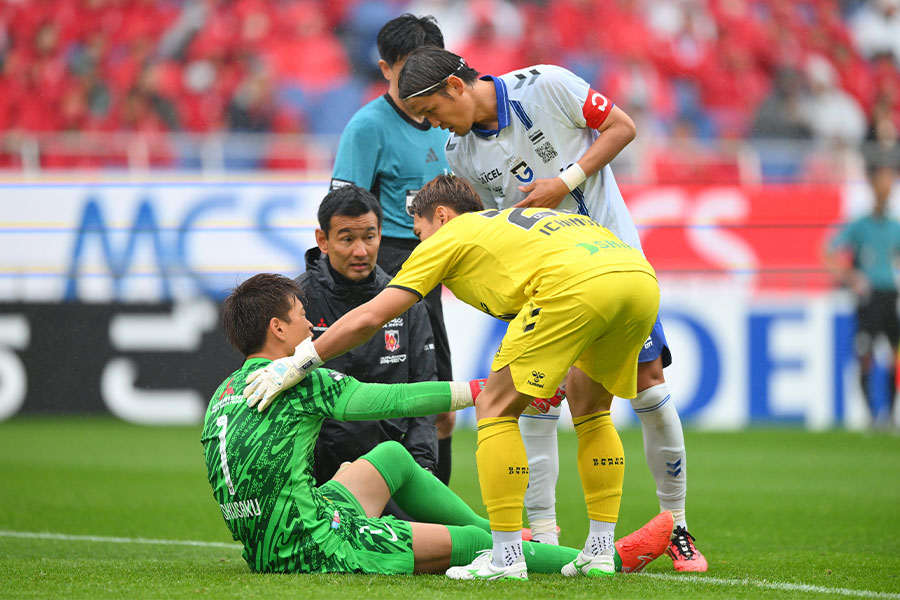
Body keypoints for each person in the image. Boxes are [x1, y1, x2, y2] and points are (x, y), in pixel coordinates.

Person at [243, 176, 662, 580]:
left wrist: (301, 360)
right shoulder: (505, 230)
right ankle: (601, 551)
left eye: (419, 231)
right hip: (637, 276)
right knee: (592, 413)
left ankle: (506, 557)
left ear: (441, 217)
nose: (419, 243)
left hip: (576, 286)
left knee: (495, 408)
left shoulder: (450, 237)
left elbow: (372, 314)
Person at [395, 46, 707, 571]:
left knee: (648, 387)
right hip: (544, 282)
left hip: (610, 259)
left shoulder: (547, 86)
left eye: (431, 111)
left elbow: (623, 128)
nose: (431, 126)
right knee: (534, 398)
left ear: (454, 86)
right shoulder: (461, 153)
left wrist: (563, 182)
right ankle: (543, 532)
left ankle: (676, 525)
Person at [204, 272, 674, 577]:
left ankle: (509, 536)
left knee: (389, 456)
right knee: (471, 545)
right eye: (303, 319)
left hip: (267, 537)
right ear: (277, 328)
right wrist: (481, 390)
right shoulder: (295, 380)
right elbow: (387, 399)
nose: (312, 330)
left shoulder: (223, 393)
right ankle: (605, 560)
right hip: (309, 545)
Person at [330, 14, 456, 484]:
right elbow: (342, 210)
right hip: (388, 268)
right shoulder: (367, 127)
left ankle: (442, 522)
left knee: (442, 407)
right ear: (385, 68)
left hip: (439, 265)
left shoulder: (452, 121)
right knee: (379, 406)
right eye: (409, 68)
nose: (421, 79)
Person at [297, 185, 438, 496]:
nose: (360, 251)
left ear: (381, 235)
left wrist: (423, 468)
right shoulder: (296, 302)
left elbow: (424, 396)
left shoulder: (408, 301)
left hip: (390, 474)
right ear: (323, 240)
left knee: (447, 541)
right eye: (347, 239)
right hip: (314, 477)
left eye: (369, 237)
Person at [825, 161, 900, 427]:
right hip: (868, 299)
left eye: (890, 182)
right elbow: (828, 250)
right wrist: (850, 276)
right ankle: (871, 416)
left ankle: (890, 415)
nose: (886, 188)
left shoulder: (894, 226)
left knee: (894, 356)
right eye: (882, 181)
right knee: (866, 356)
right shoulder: (860, 225)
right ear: (873, 186)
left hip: (890, 295)